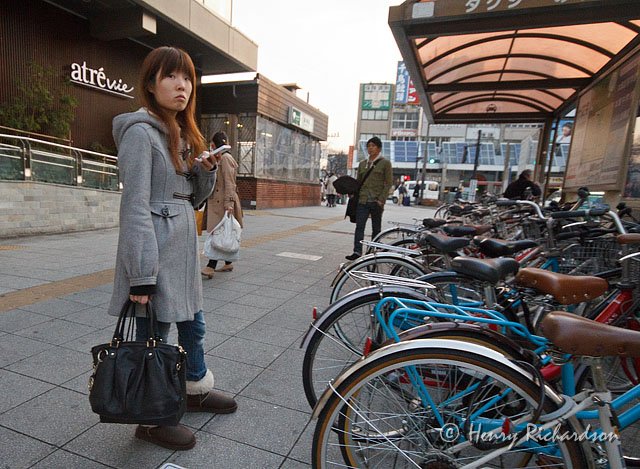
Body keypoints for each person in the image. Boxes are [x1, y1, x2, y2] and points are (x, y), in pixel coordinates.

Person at [107, 46, 237, 452]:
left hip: (181, 247)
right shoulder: (140, 134)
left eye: (187, 79)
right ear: (150, 84)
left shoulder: (180, 133)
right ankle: (152, 418)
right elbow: (135, 207)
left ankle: (194, 387)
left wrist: (204, 172)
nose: (182, 86)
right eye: (171, 76)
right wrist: (141, 275)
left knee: (193, 325)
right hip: (155, 250)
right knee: (155, 335)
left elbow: (192, 199)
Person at [201, 131, 244, 278]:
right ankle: (228, 262)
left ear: (214, 144)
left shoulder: (226, 158)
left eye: (212, 144)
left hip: (223, 203)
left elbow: (230, 183)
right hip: (218, 202)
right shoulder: (221, 157)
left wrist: (229, 203)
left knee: (218, 233)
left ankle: (210, 266)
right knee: (221, 231)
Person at [345, 136, 393, 260]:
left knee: (376, 228)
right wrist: (352, 191)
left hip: (377, 201)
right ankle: (357, 252)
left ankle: (373, 251)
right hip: (363, 200)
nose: (370, 148)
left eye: (373, 146)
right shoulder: (362, 164)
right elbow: (359, 182)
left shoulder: (385, 163)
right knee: (359, 227)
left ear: (379, 148)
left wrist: (381, 199)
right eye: (368, 146)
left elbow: (388, 183)